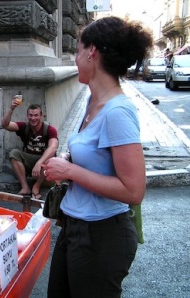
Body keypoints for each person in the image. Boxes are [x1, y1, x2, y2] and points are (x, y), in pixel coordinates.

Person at [43, 16, 152, 297]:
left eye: (77, 51)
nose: (75, 59)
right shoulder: (92, 101)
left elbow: (134, 190)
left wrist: (70, 172)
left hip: (102, 236)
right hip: (74, 228)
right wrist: (68, 159)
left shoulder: (118, 111)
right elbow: (95, 157)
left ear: (92, 52)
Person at [1, 100, 58, 199]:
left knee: (49, 159)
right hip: (29, 159)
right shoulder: (24, 127)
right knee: (14, 153)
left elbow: (53, 148)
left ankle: (36, 186)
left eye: (36, 115)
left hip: (43, 161)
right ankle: (25, 187)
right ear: (27, 116)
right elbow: (5, 125)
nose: (33, 118)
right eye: (30, 115)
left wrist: (39, 163)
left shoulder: (49, 129)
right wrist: (11, 109)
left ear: (41, 116)